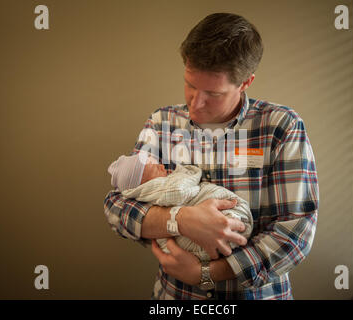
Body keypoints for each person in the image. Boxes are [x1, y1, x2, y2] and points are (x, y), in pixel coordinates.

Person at [104, 12, 319, 300]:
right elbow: (116, 207)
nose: (196, 102)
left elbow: (295, 232)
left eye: (213, 93)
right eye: (190, 84)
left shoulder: (281, 126)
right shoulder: (162, 123)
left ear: (245, 83)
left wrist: (207, 273)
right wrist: (179, 219)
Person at [105, 151, 253, 262]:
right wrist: (188, 175)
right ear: (140, 180)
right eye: (154, 166)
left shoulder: (155, 184)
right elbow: (180, 192)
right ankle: (233, 221)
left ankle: (231, 224)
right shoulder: (156, 188)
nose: (162, 165)